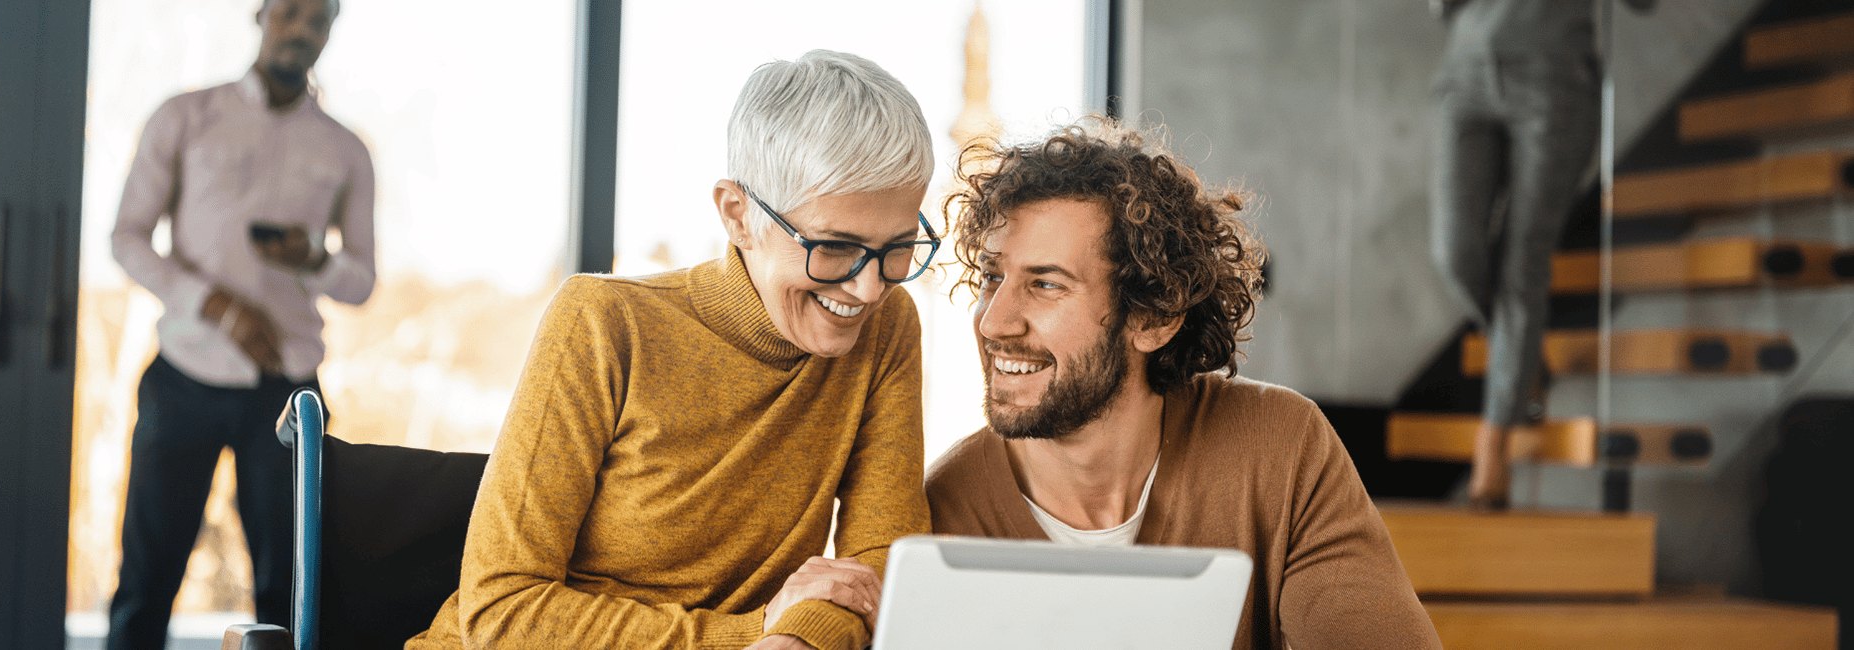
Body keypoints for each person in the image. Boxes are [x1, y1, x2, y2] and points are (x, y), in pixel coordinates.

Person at [406, 50, 935, 650]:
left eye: (898, 247)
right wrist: (755, 634)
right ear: (739, 215)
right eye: (836, 247)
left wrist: (802, 636)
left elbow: (882, 566)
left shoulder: (886, 326)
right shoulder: (604, 323)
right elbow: (502, 610)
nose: (869, 287)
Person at [925, 120, 1440, 650]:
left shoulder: (1280, 449)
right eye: (991, 277)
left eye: (1046, 284)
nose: (993, 322)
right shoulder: (943, 513)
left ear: (1154, 317)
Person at [105, 0, 374, 647]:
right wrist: (217, 305)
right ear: (261, 14)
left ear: (331, 32)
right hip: (184, 379)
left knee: (293, 598)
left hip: (288, 399)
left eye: (319, 19)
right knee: (146, 582)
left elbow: (361, 282)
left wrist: (313, 260)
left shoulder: (346, 151)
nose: (301, 28)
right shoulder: (185, 115)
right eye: (291, 12)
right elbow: (127, 239)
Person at [1427, 0, 1650, 508]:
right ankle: (1523, 365)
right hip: (1467, 69)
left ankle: (1494, 443)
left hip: (1556, 78)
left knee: (1522, 265)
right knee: (1453, 254)